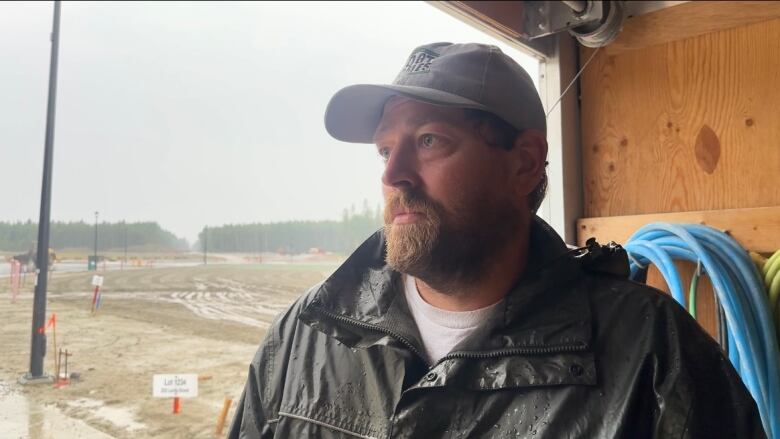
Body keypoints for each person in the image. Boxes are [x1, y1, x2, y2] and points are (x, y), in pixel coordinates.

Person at [229, 43, 765, 438]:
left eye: (429, 140)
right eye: (384, 149)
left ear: (525, 163)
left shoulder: (653, 355)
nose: (394, 174)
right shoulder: (305, 336)